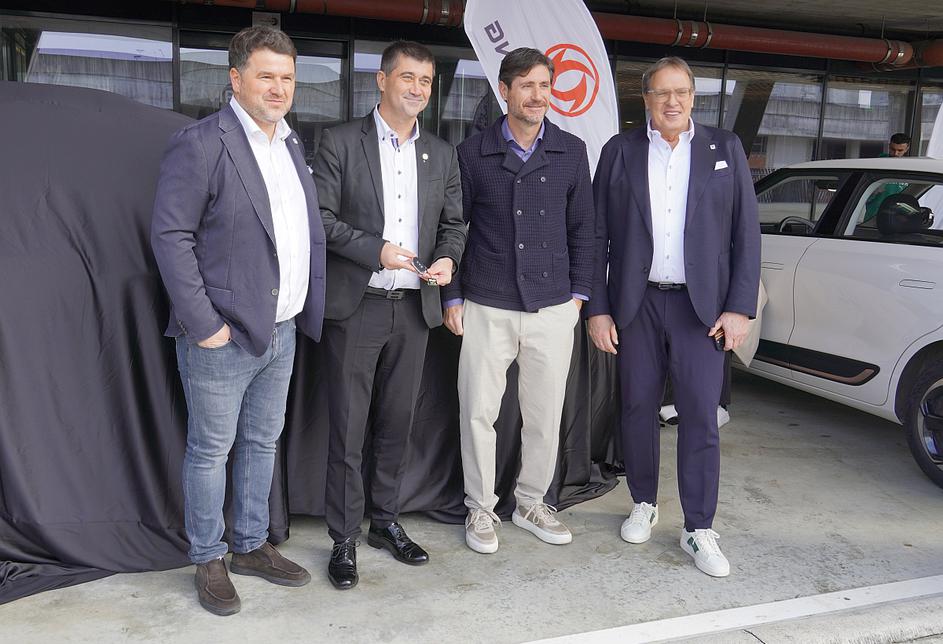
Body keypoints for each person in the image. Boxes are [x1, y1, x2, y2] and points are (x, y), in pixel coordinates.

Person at [151, 26, 326, 616]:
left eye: (287, 77)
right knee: (210, 451)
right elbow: (171, 237)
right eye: (266, 76)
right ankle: (209, 557)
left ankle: (250, 545)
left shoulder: (290, 143)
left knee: (261, 442)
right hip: (221, 336)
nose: (279, 88)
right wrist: (205, 325)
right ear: (235, 78)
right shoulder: (201, 143)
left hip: (281, 329)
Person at [586, 56, 760, 578]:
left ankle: (698, 527)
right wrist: (598, 309)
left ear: (693, 97)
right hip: (635, 304)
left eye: (681, 92)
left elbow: (746, 233)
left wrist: (739, 307)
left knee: (700, 415)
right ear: (646, 99)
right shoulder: (619, 151)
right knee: (637, 408)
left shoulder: (724, 148)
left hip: (700, 309)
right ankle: (643, 502)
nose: (672, 102)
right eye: (662, 93)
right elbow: (596, 236)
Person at [312, 41, 466, 590]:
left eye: (425, 81)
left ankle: (386, 522)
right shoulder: (338, 142)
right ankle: (343, 538)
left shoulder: (442, 154)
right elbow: (320, 218)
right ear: (381, 80)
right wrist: (375, 250)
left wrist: (448, 259)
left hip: (414, 311)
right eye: (407, 77)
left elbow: (454, 224)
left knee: (397, 425)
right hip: (358, 307)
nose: (417, 89)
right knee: (349, 429)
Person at [442, 47, 594, 554]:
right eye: (527, 85)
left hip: (553, 306)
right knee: (478, 412)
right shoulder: (472, 152)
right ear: (504, 90)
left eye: (545, 85)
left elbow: (585, 230)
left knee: (545, 414)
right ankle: (480, 507)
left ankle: (531, 503)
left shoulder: (571, 151)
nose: (537, 95)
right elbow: (453, 228)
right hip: (487, 302)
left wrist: (577, 298)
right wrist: (453, 294)